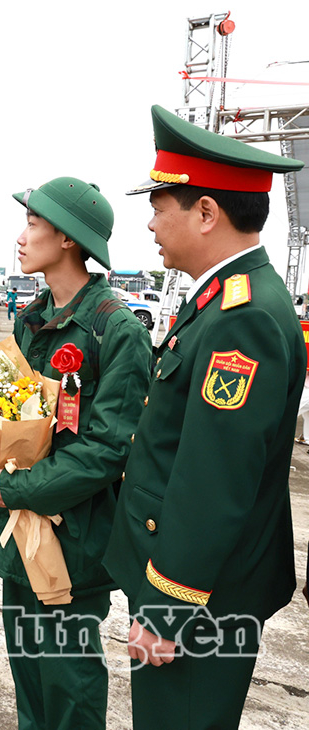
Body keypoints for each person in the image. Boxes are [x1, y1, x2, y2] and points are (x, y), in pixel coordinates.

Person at [103, 105, 306, 730]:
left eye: (161, 208)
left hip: (197, 596)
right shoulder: (221, 300)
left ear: (208, 213)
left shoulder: (242, 316)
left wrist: (166, 607)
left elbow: (214, 479)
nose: (151, 224)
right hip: (193, 581)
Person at [0, 177, 152, 730]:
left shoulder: (115, 331)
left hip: (74, 542)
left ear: (69, 239)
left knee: (69, 686)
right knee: (28, 678)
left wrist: (16, 487)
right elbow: (11, 413)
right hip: (20, 533)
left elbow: (105, 450)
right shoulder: (31, 320)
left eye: (33, 224)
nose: (21, 238)